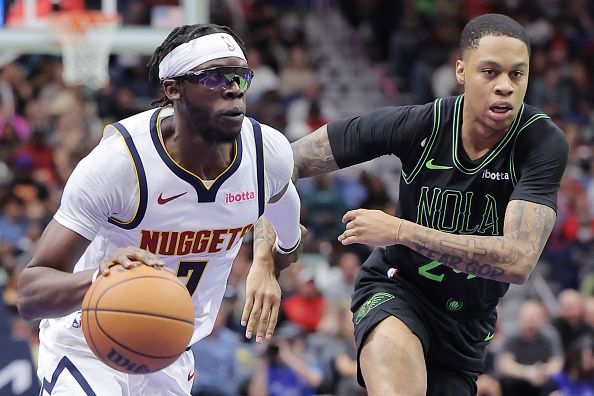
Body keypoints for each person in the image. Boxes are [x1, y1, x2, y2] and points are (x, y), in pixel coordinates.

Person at [252, 13, 568, 396]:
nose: (505, 87)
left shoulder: (541, 142)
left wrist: (400, 230)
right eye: (490, 72)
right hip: (399, 290)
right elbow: (280, 163)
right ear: (462, 72)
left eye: (517, 74)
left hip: (467, 327)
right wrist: (266, 255)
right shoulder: (422, 125)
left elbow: (517, 262)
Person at [16, 23, 303, 395]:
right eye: (215, 78)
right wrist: (105, 281)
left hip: (170, 349)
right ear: (173, 89)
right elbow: (30, 292)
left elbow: (288, 236)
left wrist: (265, 262)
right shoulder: (120, 163)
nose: (233, 88)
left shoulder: (268, 154)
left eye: (239, 76)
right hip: (88, 340)